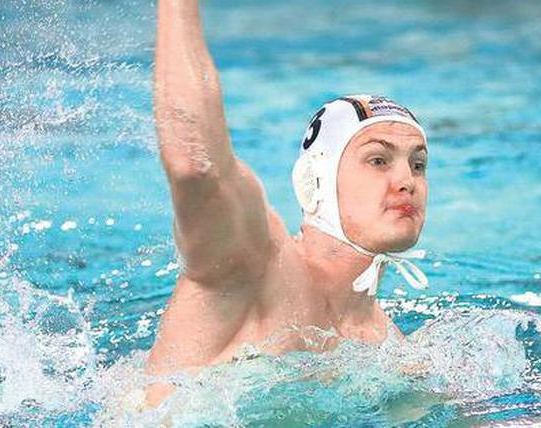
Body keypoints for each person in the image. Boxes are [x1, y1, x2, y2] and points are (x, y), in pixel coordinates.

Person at [142, 0, 431, 408]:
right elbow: (194, 165)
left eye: (418, 165)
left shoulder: (389, 347)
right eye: (378, 160)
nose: (407, 182)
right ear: (314, 181)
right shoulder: (253, 265)